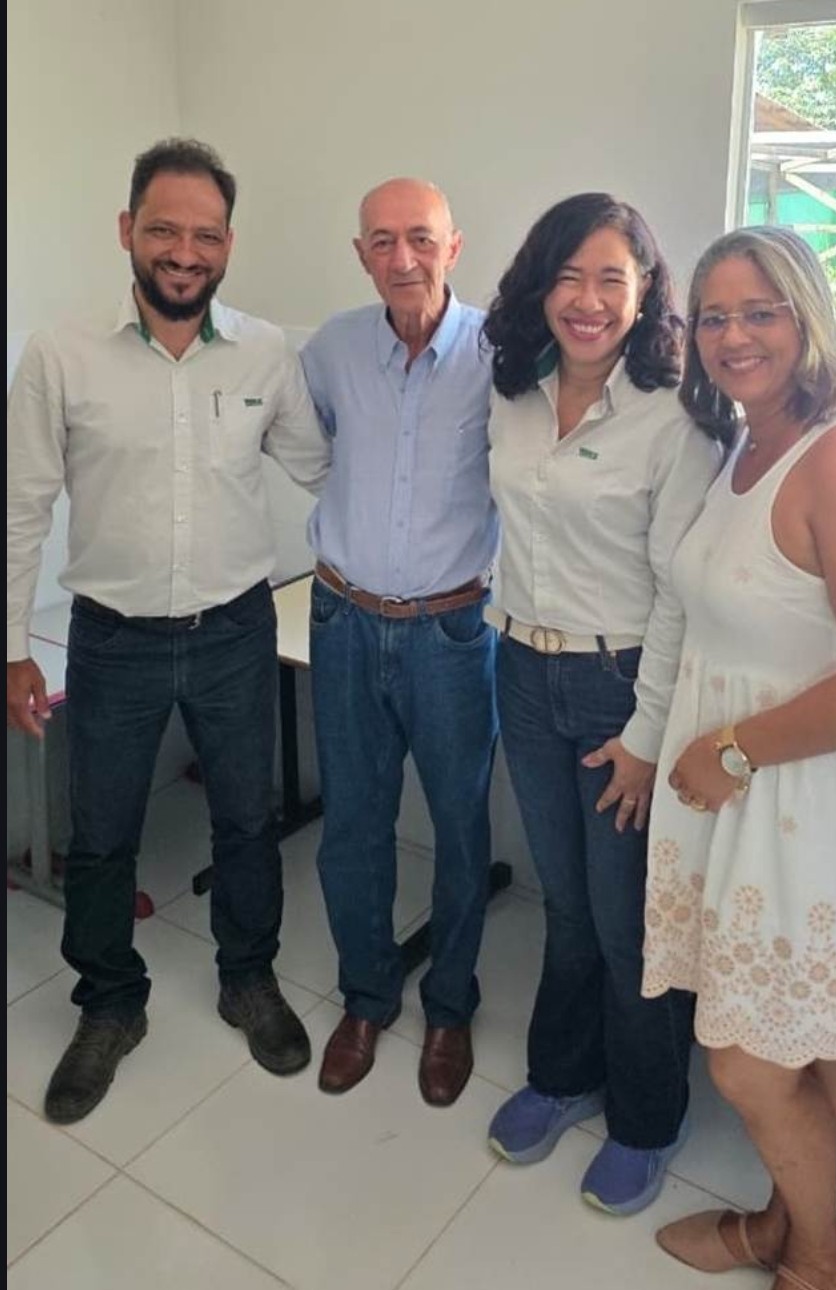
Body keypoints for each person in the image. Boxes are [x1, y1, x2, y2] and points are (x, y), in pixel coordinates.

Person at [7, 138, 329, 1125]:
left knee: (247, 821)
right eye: (163, 230)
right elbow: (21, 507)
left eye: (205, 235)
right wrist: (12, 645)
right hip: (113, 640)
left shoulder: (266, 353)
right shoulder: (62, 354)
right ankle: (109, 1004)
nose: (184, 252)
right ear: (127, 231)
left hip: (235, 629)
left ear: (228, 244)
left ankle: (248, 978)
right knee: (102, 837)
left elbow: (323, 470)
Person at [646, 226, 836, 1290]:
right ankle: (781, 1219)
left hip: (810, 789)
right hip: (757, 792)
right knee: (801, 1038)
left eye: (759, 310)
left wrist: (731, 748)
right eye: (713, 316)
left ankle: (820, 1254)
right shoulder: (748, 444)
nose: (733, 335)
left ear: (807, 317)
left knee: (746, 1063)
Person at [481, 193, 722, 1214]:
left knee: (627, 918)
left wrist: (645, 736)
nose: (587, 300)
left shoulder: (677, 419)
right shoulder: (512, 392)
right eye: (568, 276)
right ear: (541, 287)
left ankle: (647, 1117)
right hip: (519, 669)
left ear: (645, 290)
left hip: (620, 683)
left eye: (610, 278)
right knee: (567, 899)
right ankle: (564, 1071)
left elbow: (679, 595)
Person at [299, 178, 499, 1107]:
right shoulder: (332, 350)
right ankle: (367, 998)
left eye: (420, 238)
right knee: (352, 824)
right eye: (381, 241)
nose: (402, 258)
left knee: (460, 828)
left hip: (452, 633)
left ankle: (450, 1006)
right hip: (343, 620)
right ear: (361, 255)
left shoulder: (503, 354)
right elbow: (307, 448)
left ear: (454, 247)